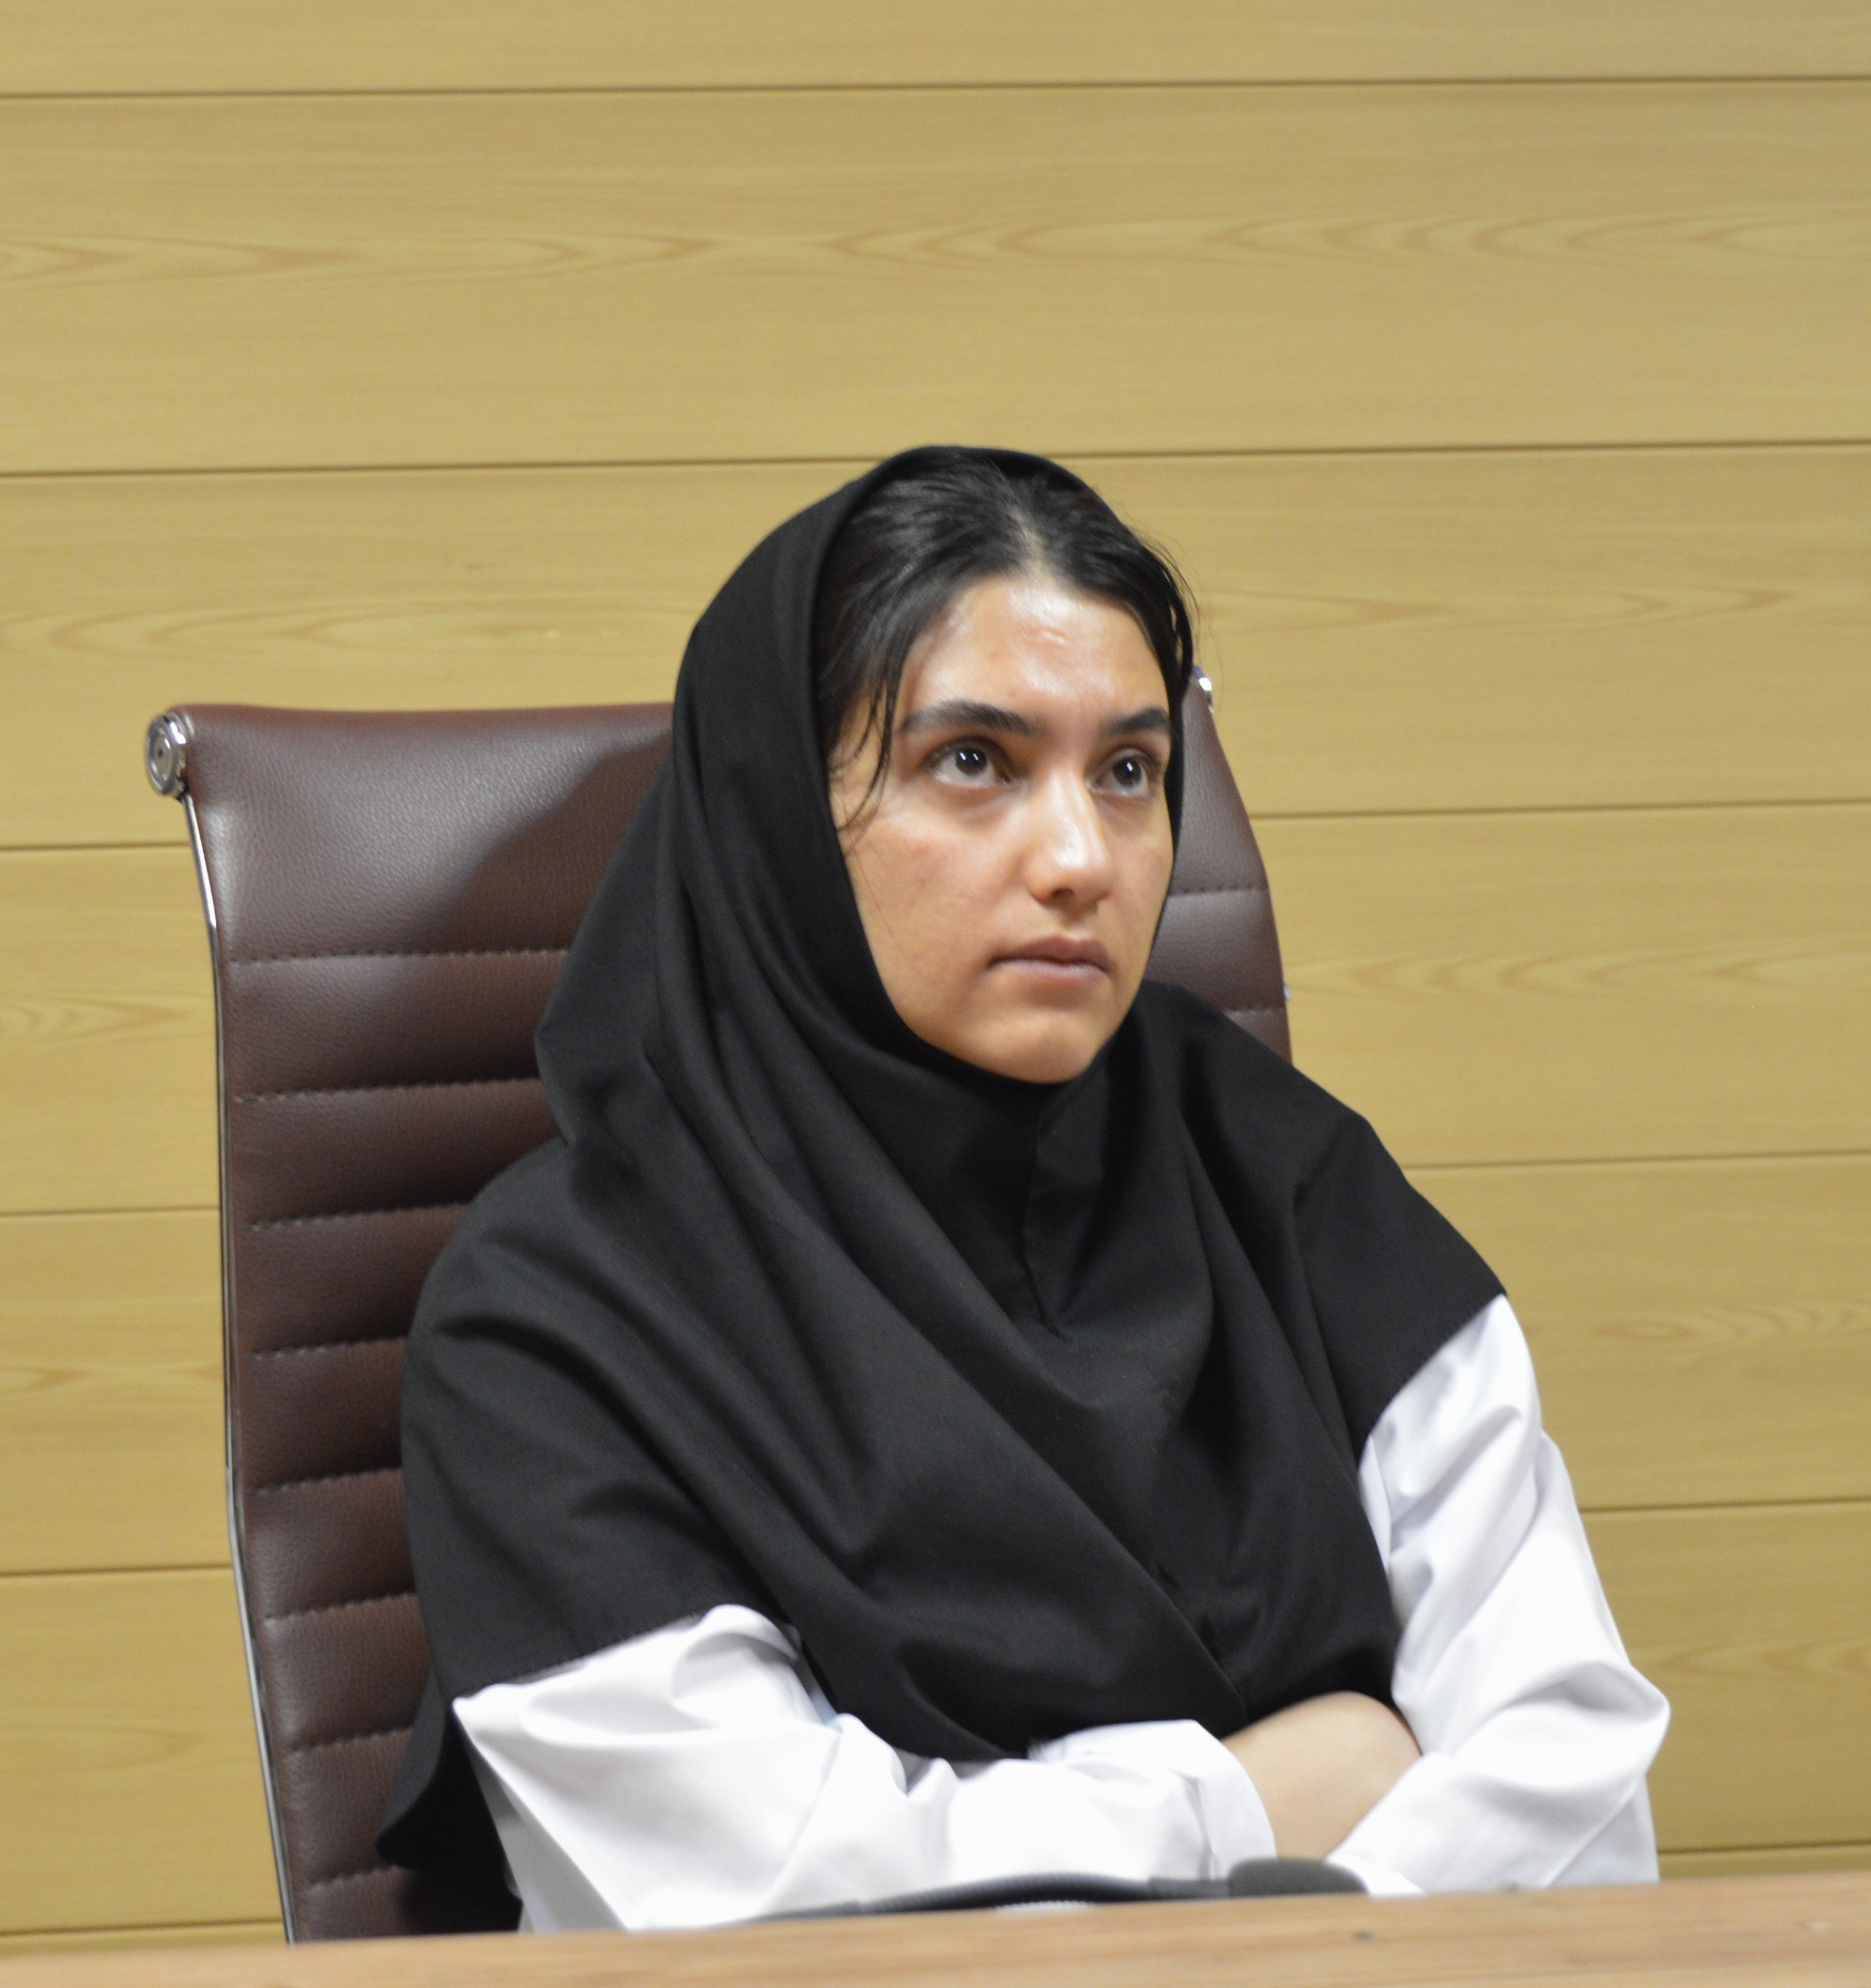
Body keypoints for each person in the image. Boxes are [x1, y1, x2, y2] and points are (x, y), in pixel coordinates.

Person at [378, 447, 1668, 1930]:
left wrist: (1282, 1927)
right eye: (974, 761)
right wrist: (1276, 1800)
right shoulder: (555, 1316)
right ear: (781, 807)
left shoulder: (1286, 1171)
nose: (1079, 858)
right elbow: (767, 1904)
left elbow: (1569, 1759)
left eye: (1128, 772)